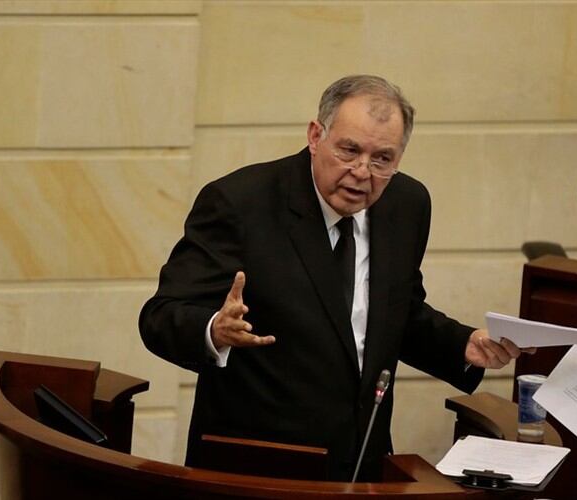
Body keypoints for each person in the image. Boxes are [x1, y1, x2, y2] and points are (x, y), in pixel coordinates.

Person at [139, 75, 531, 481]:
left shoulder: (407, 205)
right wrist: (214, 330)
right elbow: (160, 316)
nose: (362, 172)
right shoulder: (240, 202)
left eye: (382, 159)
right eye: (349, 150)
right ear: (316, 136)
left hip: (361, 463)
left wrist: (463, 344)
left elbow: (396, 312)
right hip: (259, 467)